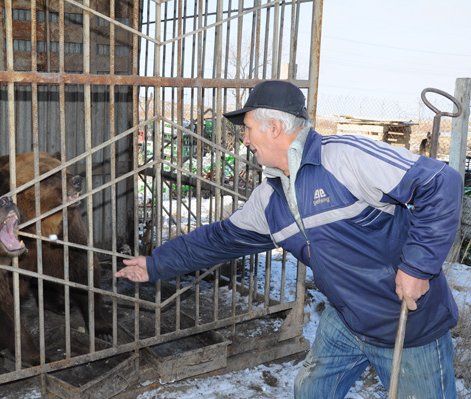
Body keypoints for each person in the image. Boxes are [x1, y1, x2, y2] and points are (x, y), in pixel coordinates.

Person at [115, 80, 462, 398]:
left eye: (248, 129)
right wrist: (155, 264)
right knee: (310, 391)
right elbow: (219, 239)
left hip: (407, 321)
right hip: (346, 318)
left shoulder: (344, 158)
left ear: (275, 127)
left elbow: (440, 183)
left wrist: (418, 267)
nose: (245, 140)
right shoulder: (269, 198)